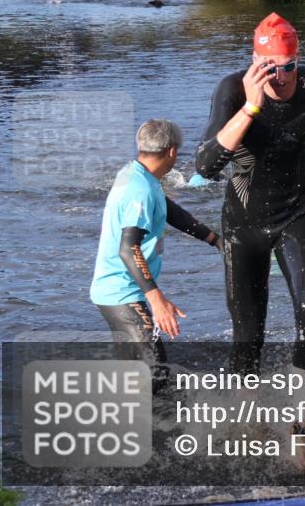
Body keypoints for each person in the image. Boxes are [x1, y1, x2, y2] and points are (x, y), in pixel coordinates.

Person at [195, 12, 305, 376]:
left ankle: (301, 423)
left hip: (297, 212)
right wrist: (251, 106)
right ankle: (245, 419)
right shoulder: (232, 90)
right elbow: (205, 166)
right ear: (254, 63)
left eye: (288, 66)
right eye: (268, 67)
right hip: (242, 225)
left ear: (298, 59)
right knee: (248, 334)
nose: (279, 77)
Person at [91, 120, 220, 392]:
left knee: (136, 374)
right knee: (155, 374)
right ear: (172, 151)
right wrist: (156, 298)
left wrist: (215, 240)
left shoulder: (136, 174)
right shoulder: (140, 189)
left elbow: (168, 210)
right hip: (122, 292)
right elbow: (128, 248)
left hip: (117, 290)